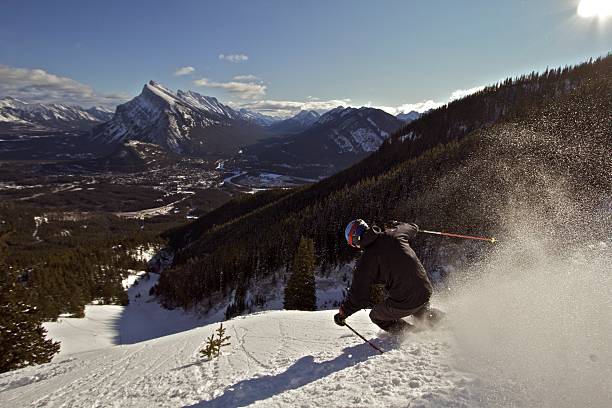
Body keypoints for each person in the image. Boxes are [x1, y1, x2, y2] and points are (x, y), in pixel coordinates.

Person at [334, 219, 435, 333]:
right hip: (424, 289)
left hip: (405, 300)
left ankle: (411, 334)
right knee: (421, 313)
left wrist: (343, 313)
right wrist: (396, 225)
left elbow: (358, 297)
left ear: (356, 241)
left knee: (376, 315)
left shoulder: (365, 261)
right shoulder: (395, 233)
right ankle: (449, 323)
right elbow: (413, 227)